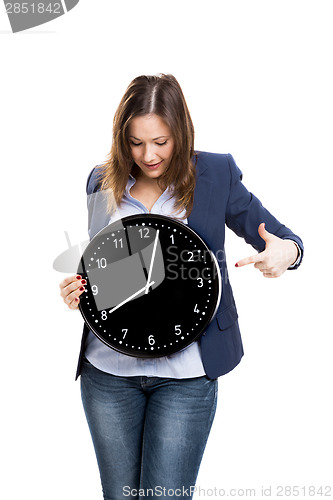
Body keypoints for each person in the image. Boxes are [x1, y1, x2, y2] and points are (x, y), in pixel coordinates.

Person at [59, 73, 304, 500]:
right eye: (135, 143)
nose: (148, 155)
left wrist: (286, 253)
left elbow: (284, 237)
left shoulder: (215, 175)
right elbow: (111, 269)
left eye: (161, 141)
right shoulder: (102, 180)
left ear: (181, 132)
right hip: (108, 375)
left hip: (186, 375)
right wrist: (81, 290)